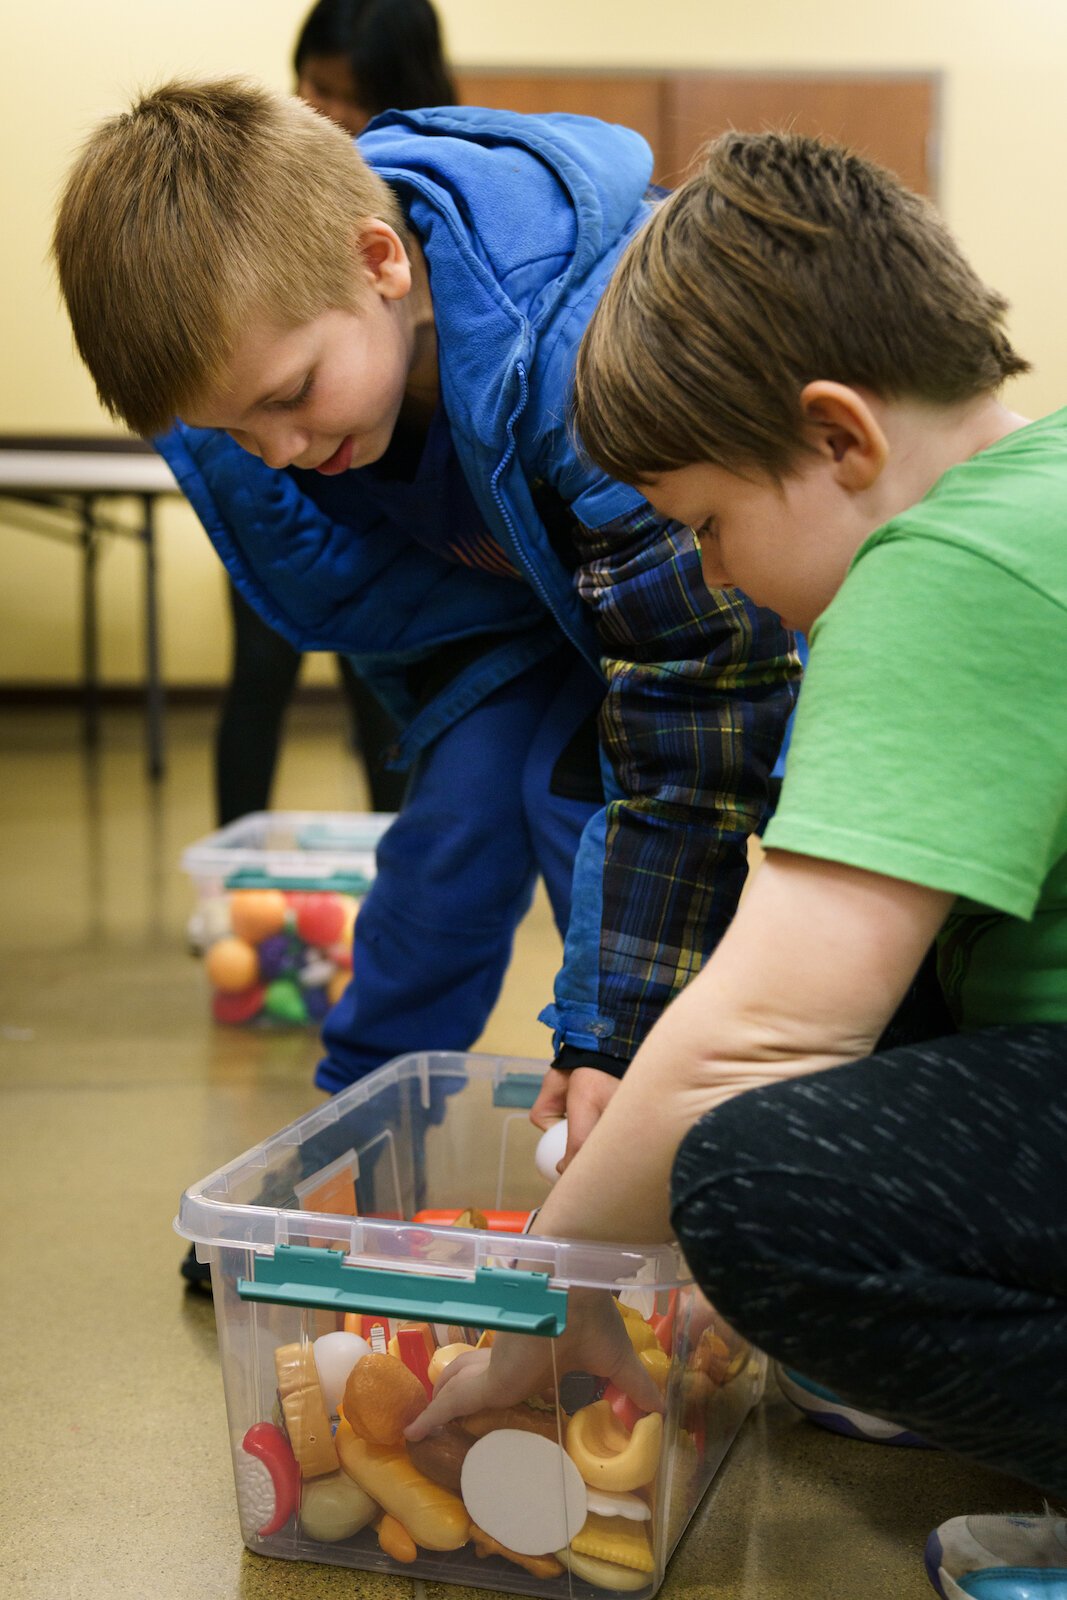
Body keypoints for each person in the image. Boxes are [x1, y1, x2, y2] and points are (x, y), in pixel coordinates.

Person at [407, 132, 1067, 1595]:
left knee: (752, 1184)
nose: (710, 577)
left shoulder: (934, 574)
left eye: (707, 525)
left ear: (837, 438)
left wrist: (547, 1289)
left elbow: (762, 1031)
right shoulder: (1039, 486)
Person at [52, 85, 796, 1138]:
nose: (281, 452)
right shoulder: (316, 369)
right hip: (537, 617)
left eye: (291, 396)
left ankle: (661, 1113)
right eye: (238, 431)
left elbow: (699, 698)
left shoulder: (591, 366)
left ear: (380, 262)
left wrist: (612, 1033)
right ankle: (358, 1126)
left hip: (705, 616)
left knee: (576, 806)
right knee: (452, 828)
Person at [216, 0, 459, 824]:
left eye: (335, 90)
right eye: (304, 83)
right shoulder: (273, 178)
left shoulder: (442, 194)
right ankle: (234, 867)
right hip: (290, 505)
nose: (311, 107)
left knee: (381, 690)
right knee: (258, 674)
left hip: (395, 498)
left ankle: (388, 850)